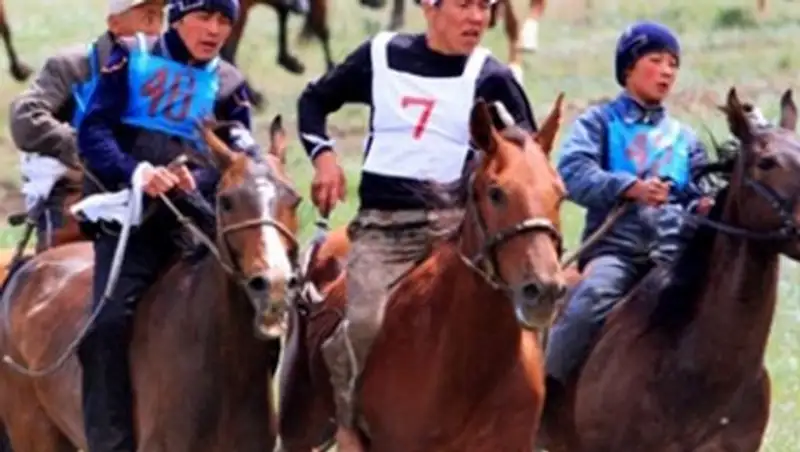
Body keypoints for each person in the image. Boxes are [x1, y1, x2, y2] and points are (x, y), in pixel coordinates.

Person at [296, 0, 537, 449]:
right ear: (430, 6)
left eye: (485, 7)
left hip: (461, 231)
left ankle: (523, 418)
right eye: (464, 5)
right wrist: (324, 157)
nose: (477, 18)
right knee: (361, 320)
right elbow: (313, 100)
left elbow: (526, 155)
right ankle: (348, 425)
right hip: (385, 229)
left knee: (529, 306)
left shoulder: (492, 76)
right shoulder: (381, 55)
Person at [74, 0, 262, 450]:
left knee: (265, 313)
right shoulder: (131, 56)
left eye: (224, 21)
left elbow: (242, 162)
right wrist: (137, 171)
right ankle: (110, 441)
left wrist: (196, 179)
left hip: (199, 225)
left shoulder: (231, 84)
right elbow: (93, 132)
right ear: (177, 19)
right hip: (131, 222)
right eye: (204, 17)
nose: (214, 30)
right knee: (106, 325)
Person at [545, 20, 714, 403]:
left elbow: (701, 191)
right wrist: (629, 188)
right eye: (656, 59)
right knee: (589, 301)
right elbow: (571, 173)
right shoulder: (598, 123)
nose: (667, 70)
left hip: (675, 256)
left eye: (674, 63)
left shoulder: (685, 138)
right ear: (628, 68)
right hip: (616, 251)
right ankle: (543, 393)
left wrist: (703, 203)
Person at [9, 0, 164, 250]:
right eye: (147, 18)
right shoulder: (71, 66)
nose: (156, 29)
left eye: (160, 18)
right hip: (78, 189)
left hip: (147, 190)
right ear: (114, 24)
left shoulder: (166, 78)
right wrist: (88, 148)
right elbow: (26, 117)